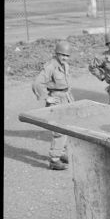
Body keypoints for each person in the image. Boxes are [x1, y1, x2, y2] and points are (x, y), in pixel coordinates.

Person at [32, 41, 74, 170]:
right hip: (56, 100)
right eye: (62, 55)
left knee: (67, 128)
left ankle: (60, 153)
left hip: (66, 98)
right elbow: (37, 83)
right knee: (59, 131)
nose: (64, 58)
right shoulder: (50, 66)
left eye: (67, 55)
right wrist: (47, 97)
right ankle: (54, 160)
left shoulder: (65, 65)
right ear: (56, 53)